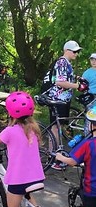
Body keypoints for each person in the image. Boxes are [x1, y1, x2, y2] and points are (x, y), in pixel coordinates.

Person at [55, 106, 96, 207]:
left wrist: (60, 157)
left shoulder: (88, 144)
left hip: (91, 189)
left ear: (91, 125)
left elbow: (72, 161)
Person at [48, 40, 85, 169]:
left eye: (77, 51)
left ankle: (55, 157)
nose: (76, 54)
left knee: (58, 127)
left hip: (63, 100)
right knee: (55, 128)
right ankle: (54, 158)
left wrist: (76, 80)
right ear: (67, 50)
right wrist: (77, 86)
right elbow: (60, 82)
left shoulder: (67, 63)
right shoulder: (62, 62)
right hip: (58, 99)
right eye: (74, 51)